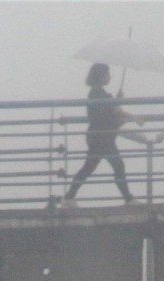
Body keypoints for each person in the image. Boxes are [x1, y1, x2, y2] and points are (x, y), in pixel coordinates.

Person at [62, 62, 144, 207]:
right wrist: (133, 117)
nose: (110, 77)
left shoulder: (96, 94)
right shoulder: (100, 95)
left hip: (98, 137)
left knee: (90, 167)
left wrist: (117, 101)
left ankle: (69, 197)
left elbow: (112, 111)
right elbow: (116, 112)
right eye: (107, 74)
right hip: (102, 138)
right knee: (116, 166)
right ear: (101, 76)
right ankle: (128, 199)